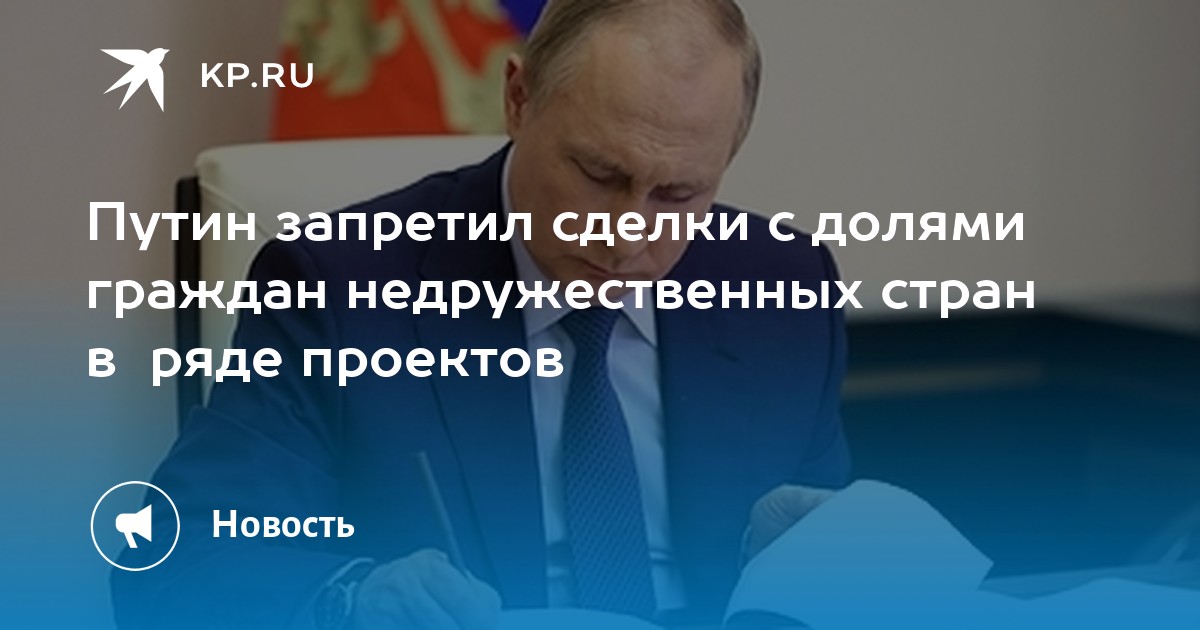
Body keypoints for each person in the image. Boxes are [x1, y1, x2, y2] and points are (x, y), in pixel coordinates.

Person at [113, 1, 851, 629]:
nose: (627, 236)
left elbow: (831, 548)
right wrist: (350, 598)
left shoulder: (784, 287)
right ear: (518, 99)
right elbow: (174, 562)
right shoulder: (336, 288)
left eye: (678, 195)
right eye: (599, 175)